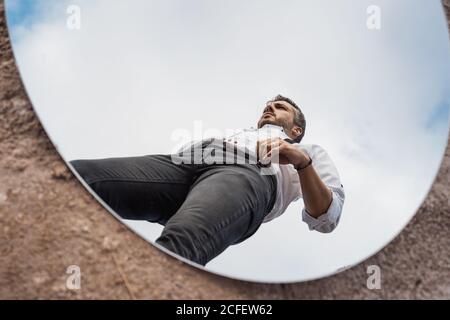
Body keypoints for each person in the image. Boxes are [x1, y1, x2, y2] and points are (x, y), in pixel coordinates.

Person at [70, 95, 345, 266]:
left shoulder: (311, 152)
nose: (269, 108)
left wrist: (300, 161)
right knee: (82, 177)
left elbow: (327, 217)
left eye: (279, 107)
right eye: (267, 106)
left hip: (246, 175)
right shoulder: (240, 132)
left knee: (180, 244)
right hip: (184, 164)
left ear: (296, 129)